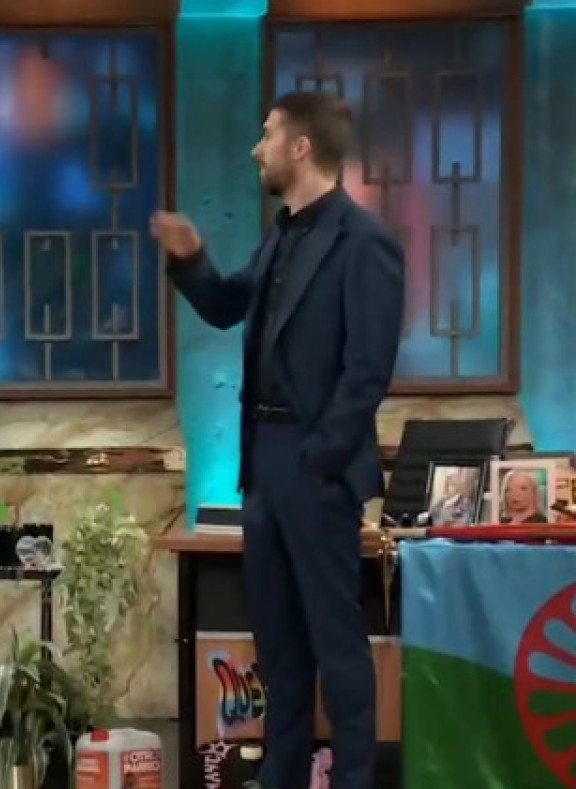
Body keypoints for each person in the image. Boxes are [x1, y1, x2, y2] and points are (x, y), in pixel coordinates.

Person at [153, 91, 404, 789]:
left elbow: (367, 371)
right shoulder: (279, 235)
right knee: (280, 645)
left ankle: (352, 779)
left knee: (336, 643)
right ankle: (283, 775)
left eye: (266, 136)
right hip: (261, 465)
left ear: (301, 147)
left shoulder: (365, 243)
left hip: (315, 466)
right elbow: (226, 305)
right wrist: (191, 258)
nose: (255, 149)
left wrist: (320, 457)